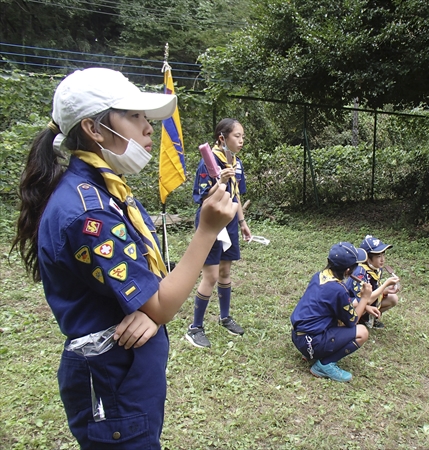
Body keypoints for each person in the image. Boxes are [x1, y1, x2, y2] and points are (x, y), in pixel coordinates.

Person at [11, 68, 237, 449]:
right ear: (94, 129)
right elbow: (163, 303)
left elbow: (148, 289)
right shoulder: (89, 213)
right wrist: (206, 230)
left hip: (125, 375)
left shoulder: (104, 189)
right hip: (112, 383)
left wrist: (147, 309)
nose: (148, 128)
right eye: (133, 116)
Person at [185, 118, 251, 348]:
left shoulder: (236, 162)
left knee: (225, 272)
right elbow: (201, 196)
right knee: (211, 276)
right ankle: (195, 328)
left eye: (243, 136)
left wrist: (242, 222)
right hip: (211, 221)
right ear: (222, 138)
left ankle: (224, 317)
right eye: (237, 136)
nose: (241, 141)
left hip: (230, 220)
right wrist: (219, 181)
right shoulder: (208, 161)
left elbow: (236, 194)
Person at [291, 242, 375, 382]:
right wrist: (365, 299)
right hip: (312, 342)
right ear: (348, 271)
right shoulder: (338, 290)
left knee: (338, 319)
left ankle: (310, 353)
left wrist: (363, 306)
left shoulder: (319, 276)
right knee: (362, 332)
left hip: (298, 337)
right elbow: (353, 321)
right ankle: (325, 365)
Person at [346, 235, 400, 328]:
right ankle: (356, 320)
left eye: (383, 255)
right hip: (352, 303)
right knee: (357, 303)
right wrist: (385, 285)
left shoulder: (377, 269)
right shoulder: (359, 273)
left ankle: (369, 318)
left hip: (366, 300)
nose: (382, 259)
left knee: (393, 298)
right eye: (378, 256)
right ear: (368, 258)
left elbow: (373, 291)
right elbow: (365, 300)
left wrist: (386, 290)